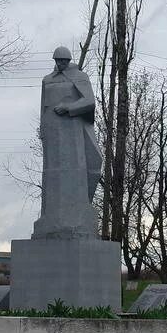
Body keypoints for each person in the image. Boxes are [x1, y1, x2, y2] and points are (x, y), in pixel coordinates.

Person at [32, 46, 102, 239]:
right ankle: (51, 219)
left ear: (69, 60)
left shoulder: (80, 77)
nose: (61, 64)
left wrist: (69, 107)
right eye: (58, 60)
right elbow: (43, 108)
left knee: (90, 165)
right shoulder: (47, 80)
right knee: (53, 176)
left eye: (64, 60)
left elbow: (89, 101)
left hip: (73, 131)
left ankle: (77, 217)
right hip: (53, 134)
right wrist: (43, 130)